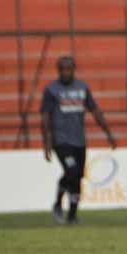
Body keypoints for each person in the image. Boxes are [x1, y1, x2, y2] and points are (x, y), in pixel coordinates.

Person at [40, 55, 116, 224]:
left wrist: (108, 133)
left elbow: (95, 111)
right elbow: (45, 116)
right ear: (58, 70)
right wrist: (46, 143)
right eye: (62, 69)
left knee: (78, 176)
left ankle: (72, 215)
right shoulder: (52, 90)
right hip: (61, 141)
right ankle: (58, 204)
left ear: (74, 69)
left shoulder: (82, 88)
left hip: (79, 140)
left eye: (69, 69)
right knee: (72, 171)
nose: (65, 72)